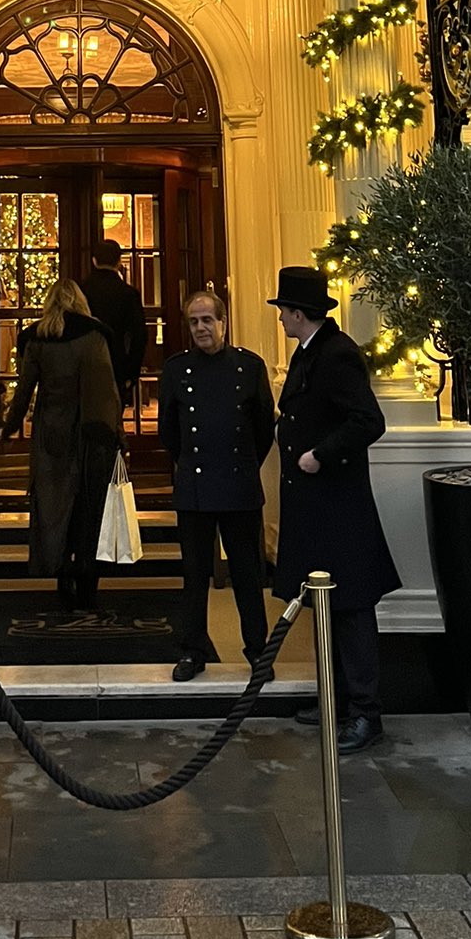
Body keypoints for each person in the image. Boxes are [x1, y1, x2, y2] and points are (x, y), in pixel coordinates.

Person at [269, 264, 400, 755]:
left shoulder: (337, 354)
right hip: (315, 505)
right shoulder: (311, 351)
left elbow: (368, 420)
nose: (280, 318)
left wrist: (320, 454)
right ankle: (337, 699)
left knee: (351, 608)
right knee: (328, 604)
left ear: (298, 313)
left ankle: (365, 712)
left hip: (338, 505)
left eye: (283, 310)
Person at [158, 290, 275, 682]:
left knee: (247, 575)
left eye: (208, 320)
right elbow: (169, 432)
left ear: (223, 322)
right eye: (193, 322)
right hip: (194, 487)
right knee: (194, 577)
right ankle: (193, 651)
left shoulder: (249, 367)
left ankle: (257, 652)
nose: (201, 328)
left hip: (239, 487)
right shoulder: (176, 370)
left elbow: (263, 428)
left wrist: (244, 465)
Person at [1, 279, 121, 611]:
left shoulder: (38, 338)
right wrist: (117, 433)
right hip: (92, 434)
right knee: (89, 506)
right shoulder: (95, 335)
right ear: (80, 302)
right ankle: (88, 580)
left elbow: (24, 389)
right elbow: (108, 389)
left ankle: (61, 572)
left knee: (54, 504)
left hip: (52, 432)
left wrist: (9, 426)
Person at [81, 240, 148, 406]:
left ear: (94, 261)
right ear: (119, 262)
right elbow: (139, 335)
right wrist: (131, 372)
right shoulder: (128, 293)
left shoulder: (81, 291)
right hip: (117, 363)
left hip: (84, 363)